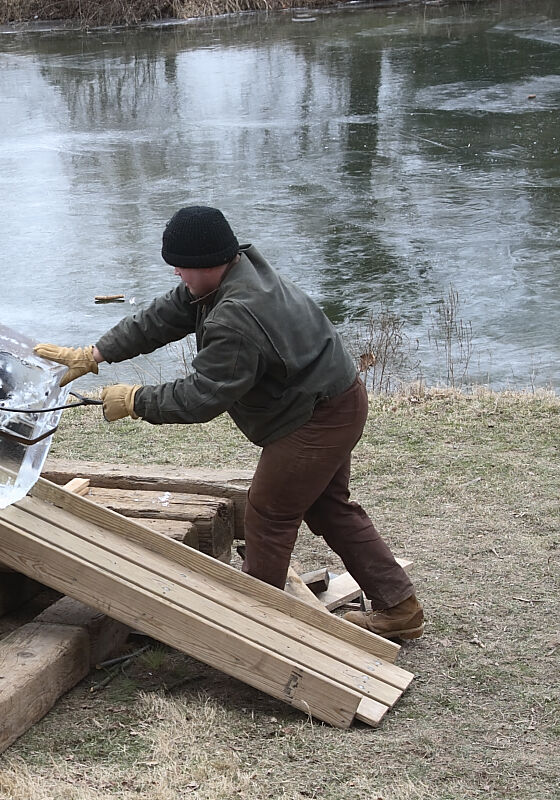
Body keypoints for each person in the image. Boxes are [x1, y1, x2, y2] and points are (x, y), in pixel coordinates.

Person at [34, 205, 423, 641]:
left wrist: (135, 400)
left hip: (317, 416)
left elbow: (202, 397)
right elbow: (162, 316)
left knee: (269, 513)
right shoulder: (232, 271)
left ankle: (254, 627)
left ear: (207, 262)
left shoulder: (236, 315)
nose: (176, 273)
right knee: (328, 506)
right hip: (332, 396)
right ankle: (399, 608)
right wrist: (94, 354)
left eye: (180, 266)